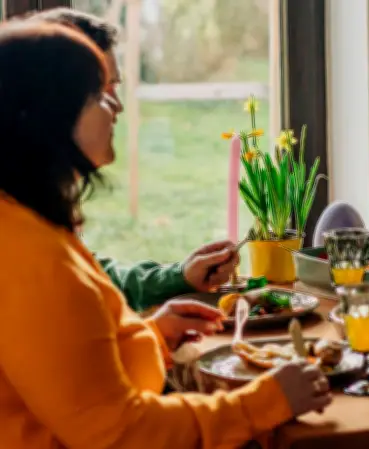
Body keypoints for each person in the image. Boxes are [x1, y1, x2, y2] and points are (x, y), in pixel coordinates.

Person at [0, 21, 331, 448]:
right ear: (49, 117)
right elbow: (122, 433)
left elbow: (73, 382)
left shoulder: (27, 225)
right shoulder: (34, 260)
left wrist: (150, 336)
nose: (115, 107)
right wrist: (264, 402)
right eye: (99, 94)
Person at [28, 7, 237, 312]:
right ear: (54, 101)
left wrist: (178, 278)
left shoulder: (41, 202)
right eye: (102, 90)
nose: (118, 106)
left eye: (116, 87)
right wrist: (154, 337)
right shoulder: (19, 227)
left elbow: (93, 279)